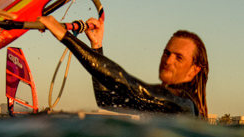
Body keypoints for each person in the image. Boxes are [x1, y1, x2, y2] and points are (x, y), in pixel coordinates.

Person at [35, 15, 209, 118]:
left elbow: (125, 82)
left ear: (194, 70)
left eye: (179, 57)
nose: (168, 61)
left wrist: (66, 36)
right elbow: (106, 100)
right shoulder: (159, 104)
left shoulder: (182, 104)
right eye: (166, 53)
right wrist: (97, 46)